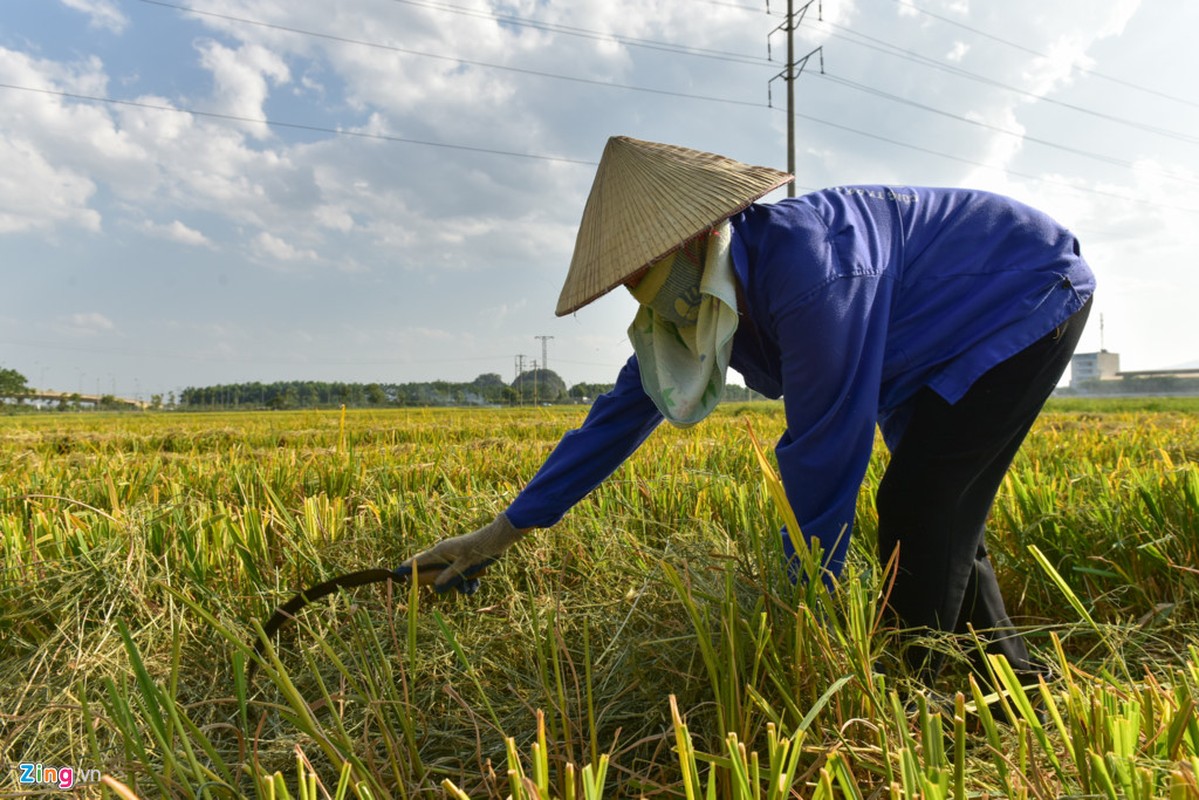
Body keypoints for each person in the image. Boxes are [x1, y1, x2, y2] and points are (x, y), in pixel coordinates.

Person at [396, 135, 1095, 686]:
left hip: (1019, 291)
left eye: (637, 270)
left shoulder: (811, 273)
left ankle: (918, 689)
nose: (634, 293)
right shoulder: (708, 298)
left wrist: (804, 615)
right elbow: (613, 420)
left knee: (923, 503)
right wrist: (501, 532)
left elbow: (826, 447)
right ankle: (1011, 680)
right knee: (941, 512)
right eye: (623, 282)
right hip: (925, 333)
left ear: (687, 239)